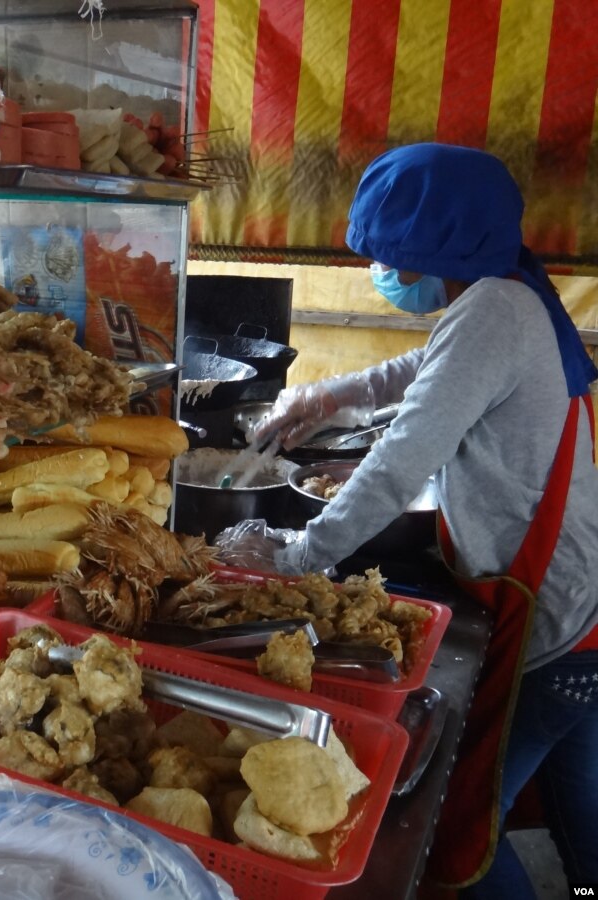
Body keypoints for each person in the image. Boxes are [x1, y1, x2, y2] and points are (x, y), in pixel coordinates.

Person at [221, 143, 598, 896]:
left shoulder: (495, 310)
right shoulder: (507, 293)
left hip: (550, 627)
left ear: (440, 245)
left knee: (459, 841)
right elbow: (423, 370)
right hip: (583, 613)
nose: (381, 271)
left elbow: (399, 462)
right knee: (583, 824)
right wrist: (329, 395)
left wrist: (298, 556)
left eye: (390, 255)